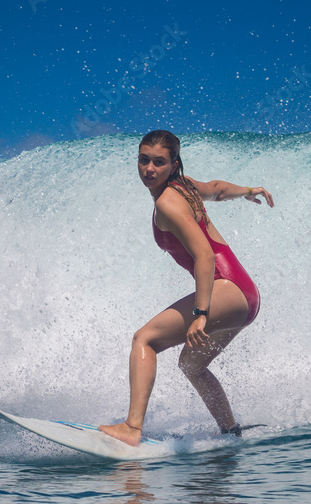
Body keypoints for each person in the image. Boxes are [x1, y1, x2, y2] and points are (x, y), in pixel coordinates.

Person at [100, 130, 274, 446]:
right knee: (191, 365)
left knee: (145, 339)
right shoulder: (185, 186)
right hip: (243, 294)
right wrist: (249, 190)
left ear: (173, 164)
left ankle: (131, 428)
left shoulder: (169, 202)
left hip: (226, 288)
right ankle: (230, 430)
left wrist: (201, 314)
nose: (149, 169)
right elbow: (218, 190)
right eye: (143, 160)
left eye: (159, 162)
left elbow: (204, 255)